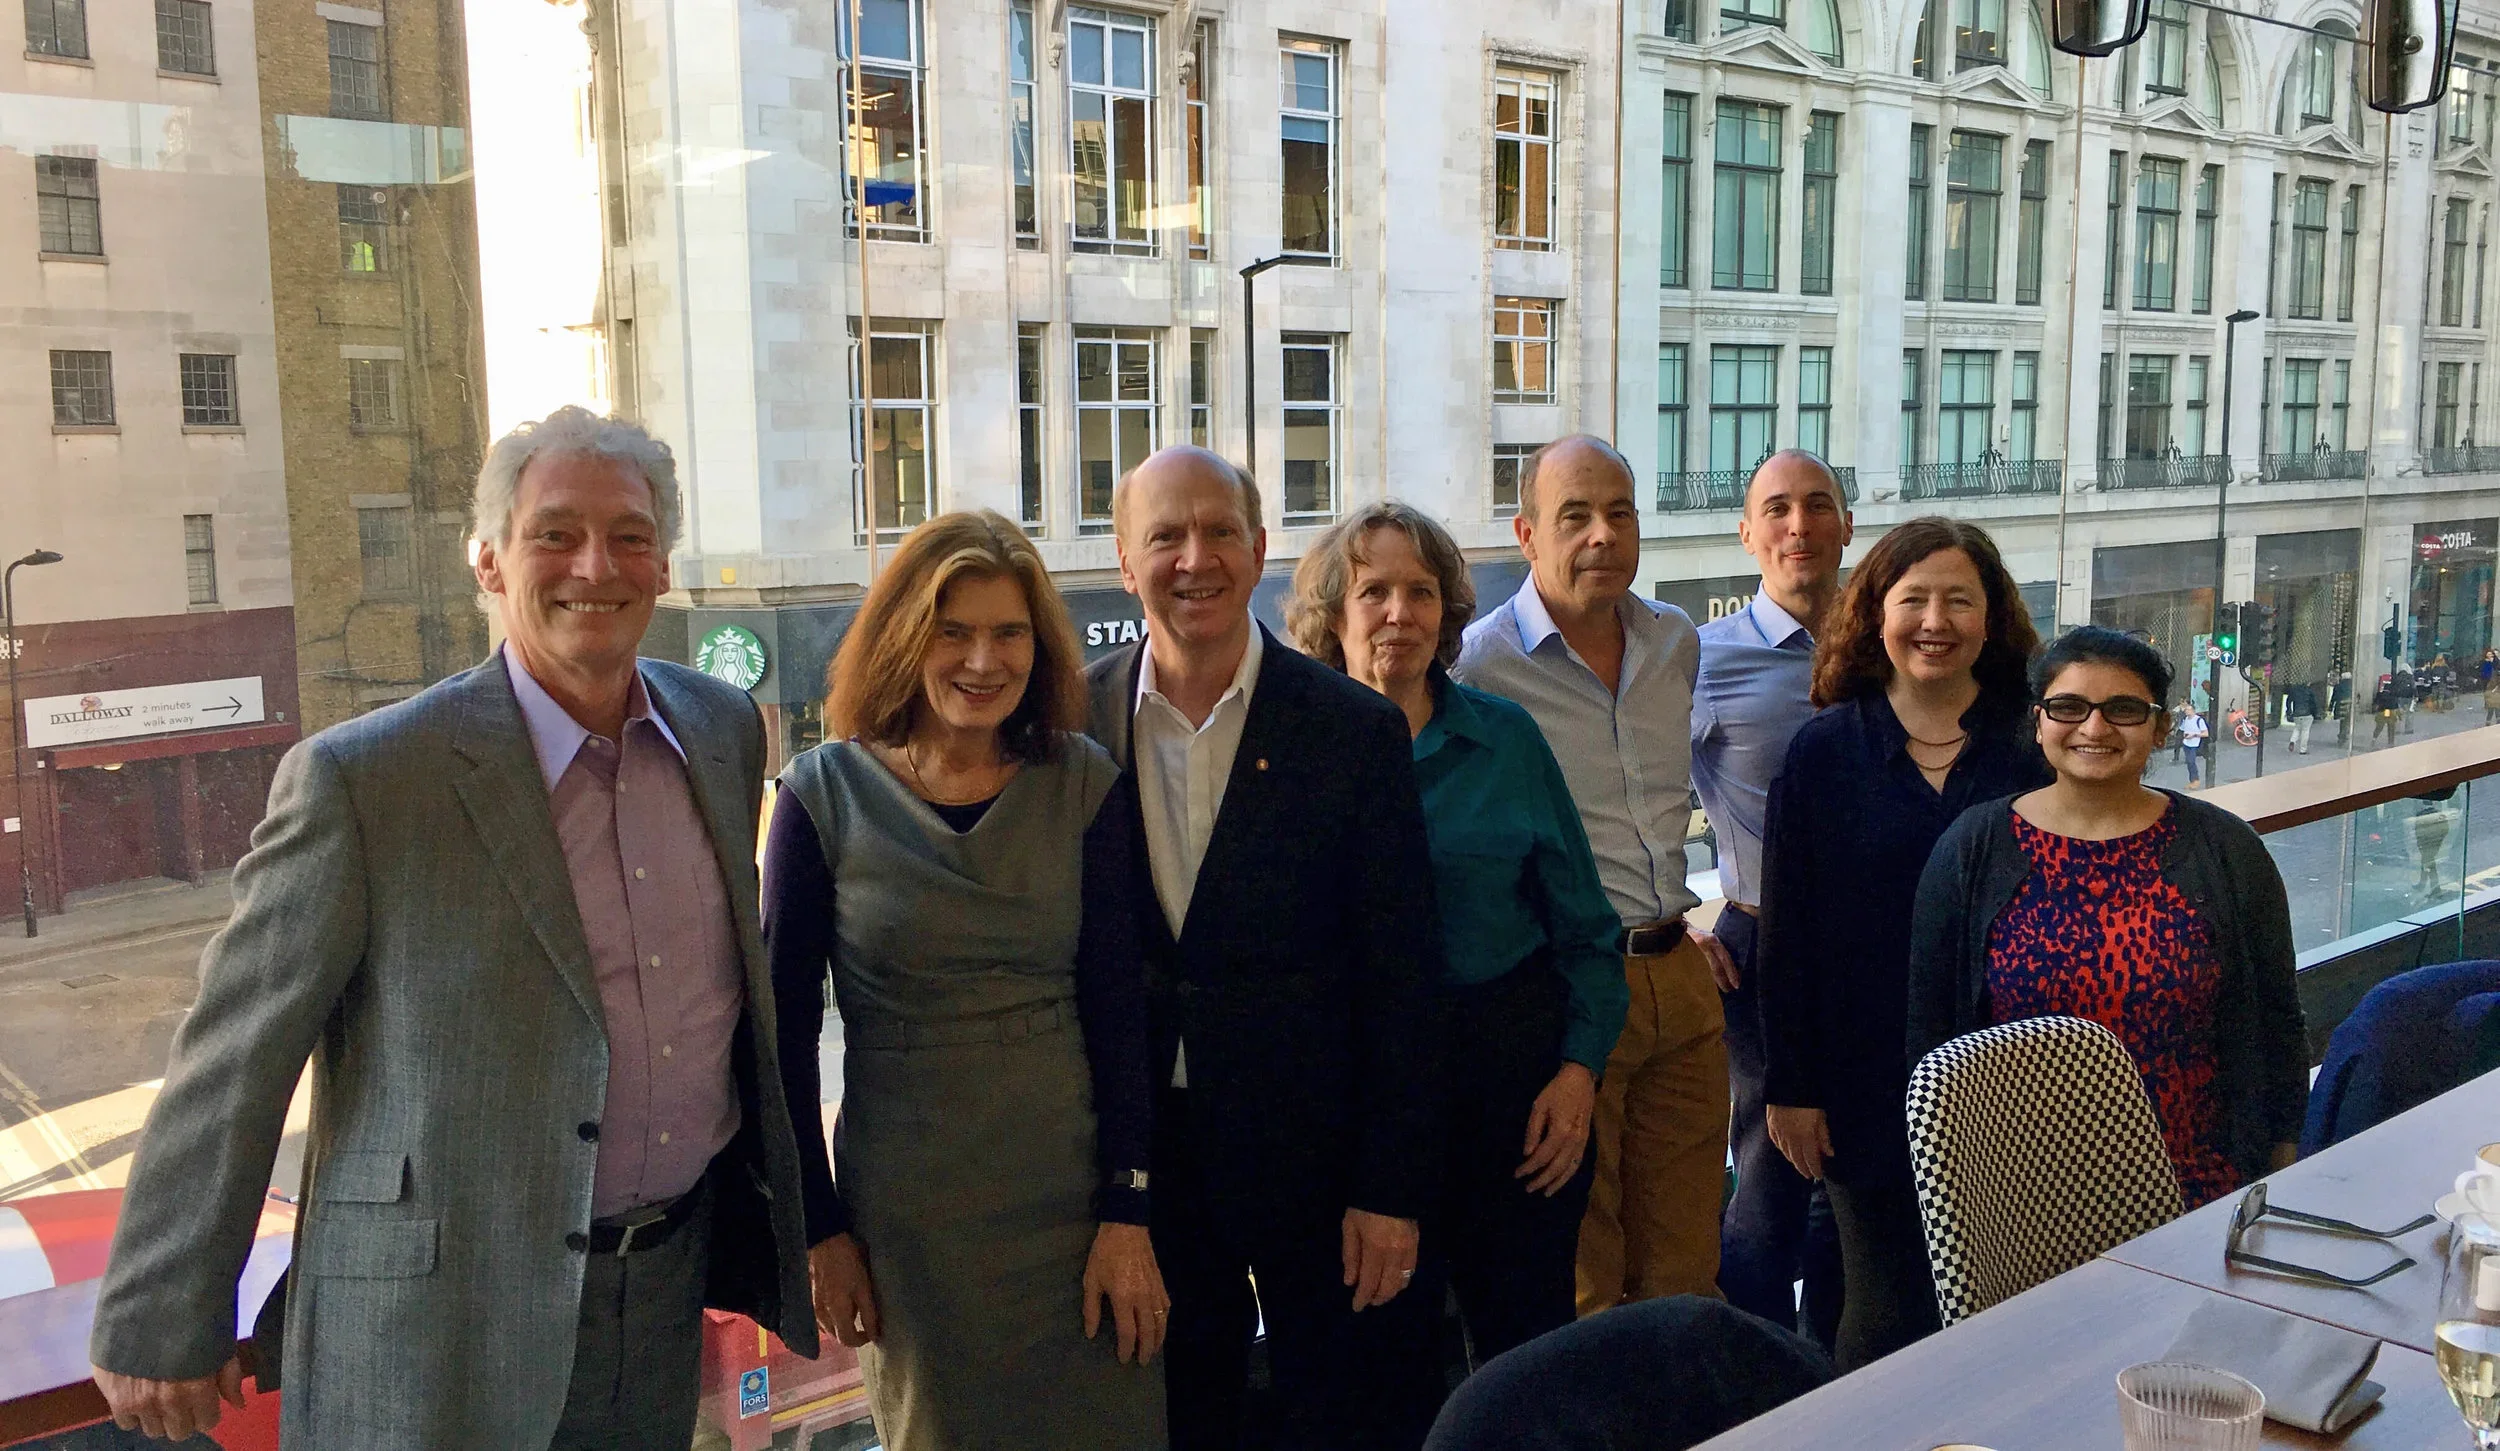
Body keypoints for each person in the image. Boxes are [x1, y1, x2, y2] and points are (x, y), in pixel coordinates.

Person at [85, 407, 818, 1448]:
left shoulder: (720, 727)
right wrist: (159, 1311)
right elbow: (233, 1054)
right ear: (487, 560)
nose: (595, 565)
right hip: (439, 1324)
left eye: (630, 535)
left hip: (661, 1294)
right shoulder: (367, 778)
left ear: (662, 566)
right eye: (555, 533)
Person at [766, 512, 1167, 1449]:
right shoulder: (821, 796)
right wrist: (818, 1228)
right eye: (954, 630)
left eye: (1009, 632)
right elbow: (781, 1040)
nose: (984, 660)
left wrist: (1130, 1210)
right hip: (911, 1224)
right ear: (904, 637)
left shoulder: (1083, 783)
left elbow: (1122, 1013)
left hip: (1077, 1207)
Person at [1083, 446, 1439, 1451]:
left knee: (1340, 1420)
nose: (1195, 558)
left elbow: (1403, 976)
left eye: (1219, 531)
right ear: (1124, 560)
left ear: (1259, 547)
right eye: (1165, 535)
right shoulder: (1071, 720)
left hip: (1320, 1159)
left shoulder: (1354, 730)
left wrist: (1389, 1189)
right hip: (1149, 1157)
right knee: (1183, 1419)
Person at [1285, 501, 1626, 1443]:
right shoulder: (1296, 753)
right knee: (1382, 1365)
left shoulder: (1506, 739)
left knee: (1530, 1368)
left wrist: (1578, 1074)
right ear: (1332, 612)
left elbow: (1588, 931)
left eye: (1422, 592)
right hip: (1359, 1106)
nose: (1400, 612)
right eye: (1375, 591)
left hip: (1513, 1092)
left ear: (1448, 612)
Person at [1753, 516, 2050, 1371]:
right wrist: (1791, 1087)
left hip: (2010, 1074)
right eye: (1913, 598)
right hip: (1862, 1082)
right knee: (1882, 1308)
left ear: (1991, 618)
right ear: (1875, 614)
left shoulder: (2033, 745)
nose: (1935, 620)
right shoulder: (1822, 753)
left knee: (2004, 1299)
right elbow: (1790, 934)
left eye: (1960, 599)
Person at [1455, 435, 1736, 1317]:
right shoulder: (1480, 664)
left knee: (1688, 1259)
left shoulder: (1673, 639)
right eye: (1574, 516)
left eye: (1619, 514)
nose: (1601, 535)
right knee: (1585, 1270)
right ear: (1526, 533)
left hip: (1679, 974)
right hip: (1569, 991)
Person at [1906, 626, 2306, 1212]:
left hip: (2200, 1187)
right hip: (2019, 1200)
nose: (2094, 728)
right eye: (2069, 707)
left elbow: (2276, 1016)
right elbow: (1930, 1029)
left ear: (2160, 728)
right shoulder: (1974, 847)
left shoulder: (2225, 848)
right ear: (2038, 722)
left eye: (2123, 709)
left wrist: (2284, 1152)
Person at [1688, 451, 1849, 1351]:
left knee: (1860, 1177)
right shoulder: (1706, 661)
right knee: (1773, 1171)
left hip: (1880, 947)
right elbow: (1622, 793)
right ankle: (1756, 1374)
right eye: (1777, 508)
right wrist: (1665, 914)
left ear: (1846, 525)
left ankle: (1840, 1369)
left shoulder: (1889, 644)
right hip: (1762, 950)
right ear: (1747, 532)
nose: (1799, 525)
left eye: (1818, 505)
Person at [2177, 700, 2209, 786]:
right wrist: (2184, 735)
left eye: (2188, 710)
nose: (2186, 711)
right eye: (2186, 710)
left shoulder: (2199, 720)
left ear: (2193, 711)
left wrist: (2194, 735)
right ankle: (2192, 780)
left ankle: (2195, 780)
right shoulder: (2186, 719)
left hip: (2195, 744)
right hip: (2186, 743)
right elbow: (2182, 729)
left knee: (2191, 762)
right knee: (2189, 762)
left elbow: (2206, 733)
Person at [2284, 680, 2316, 755]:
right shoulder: (2310, 691)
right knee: (2305, 731)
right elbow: (2313, 704)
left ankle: (2292, 741)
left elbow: (2288, 701)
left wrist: (2289, 711)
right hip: (2307, 714)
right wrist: (2314, 714)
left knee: (2297, 728)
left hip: (2297, 714)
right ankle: (2303, 750)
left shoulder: (2295, 691)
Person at [2372, 673, 2401, 747]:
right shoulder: (2394, 695)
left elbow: (2375, 703)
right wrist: (2399, 716)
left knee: (2379, 727)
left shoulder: (2380, 694)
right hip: (2391, 712)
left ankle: (2374, 739)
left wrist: (2375, 710)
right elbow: (2396, 706)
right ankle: (2391, 742)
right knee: (2391, 727)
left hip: (2381, 711)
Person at [2332, 669, 2353, 746]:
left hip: (2340, 707)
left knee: (2342, 722)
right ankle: (2344, 735)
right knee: (2347, 721)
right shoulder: (2353, 686)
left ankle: (2342, 736)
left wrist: (2331, 708)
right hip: (2349, 706)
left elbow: (2334, 697)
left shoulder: (2338, 686)